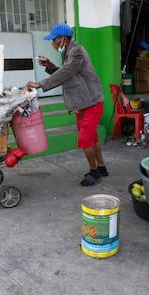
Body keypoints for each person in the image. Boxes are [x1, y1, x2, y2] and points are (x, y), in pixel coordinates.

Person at [26, 23, 108, 186]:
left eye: (54, 40)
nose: (53, 44)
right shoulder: (70, 52)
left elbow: (66, 72)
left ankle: (94, 172)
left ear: (63, 39)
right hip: (84, 102)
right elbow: (67, 73)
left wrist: (40, 84)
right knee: (92, 138)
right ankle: (101, 167)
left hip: (91, 101)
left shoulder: (76, 51)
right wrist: (49, 66)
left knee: (85, 139)